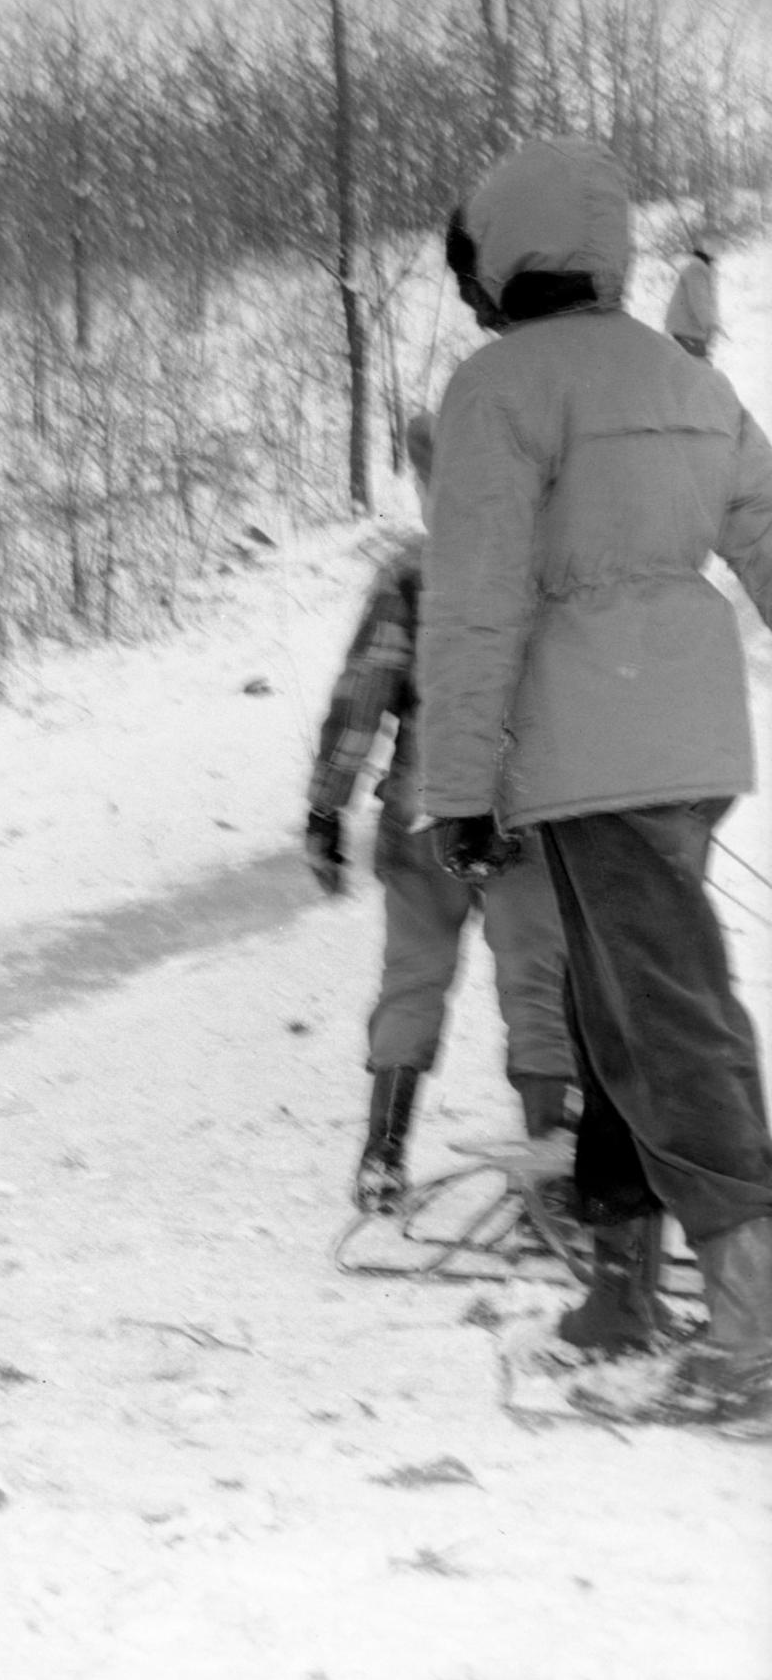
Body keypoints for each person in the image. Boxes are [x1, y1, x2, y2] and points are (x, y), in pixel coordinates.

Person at [424, 135, 772, 1426]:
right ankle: (621, 1295)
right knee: (624, 1008)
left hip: (590, 750)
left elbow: (473, 606)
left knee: (667, 1019)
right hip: (692, 743)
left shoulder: (502, 388)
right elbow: (767, 529)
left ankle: (753, 1328)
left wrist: (458, 784)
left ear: (507, 256)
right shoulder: (684, 378)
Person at [305, 411, 575, 1214]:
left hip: (423, 816)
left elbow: (364, 696)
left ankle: (382, 1153)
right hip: (529, 814)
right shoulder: (545, 568)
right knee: (539, 986)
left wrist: (326, 809)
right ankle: (550, 1164)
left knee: (412, 980)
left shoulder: (413, 575)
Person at [665, 243, 721, 364]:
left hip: (688, 329)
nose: (714, 263)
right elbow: (699, 300)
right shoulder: (697, 270)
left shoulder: (697, 269)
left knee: (692, 369)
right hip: (687, 330)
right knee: (698, 370)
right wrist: (709, 326)